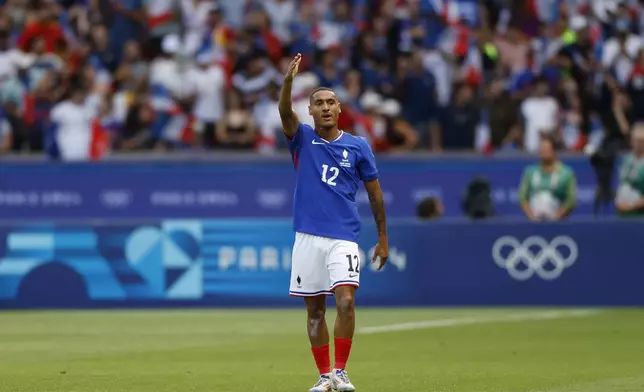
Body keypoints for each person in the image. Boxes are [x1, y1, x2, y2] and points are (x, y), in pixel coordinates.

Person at [279, 54, 389, 392]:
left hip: (343, 236)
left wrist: (383, 237)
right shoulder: (302, 140)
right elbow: (284, 112)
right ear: (310, 112)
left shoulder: (358, 146)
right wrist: (287, 83)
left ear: (340, 109)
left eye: (331, 102)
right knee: (314, 312)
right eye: (319, 104)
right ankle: (324, 376)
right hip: (307, 237)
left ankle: (341, 372)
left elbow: (374, 194)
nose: (325, 108)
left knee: (345, 302)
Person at [518, 135, 577, 221]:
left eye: (546, 149)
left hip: (558, 221)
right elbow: (522, 197)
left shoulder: (566, 173)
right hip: (534, 221)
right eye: (541, 149)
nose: (543, 151)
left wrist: (556, 216)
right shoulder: (530, 171)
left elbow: (571, 200)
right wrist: (532, 217)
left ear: (554, 151)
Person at [616, 124, 644, 216]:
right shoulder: (626, 160)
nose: (639, 144)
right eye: (636, 140)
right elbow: (623, 184)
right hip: (623, 214)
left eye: (641, 141)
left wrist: (632, 206)